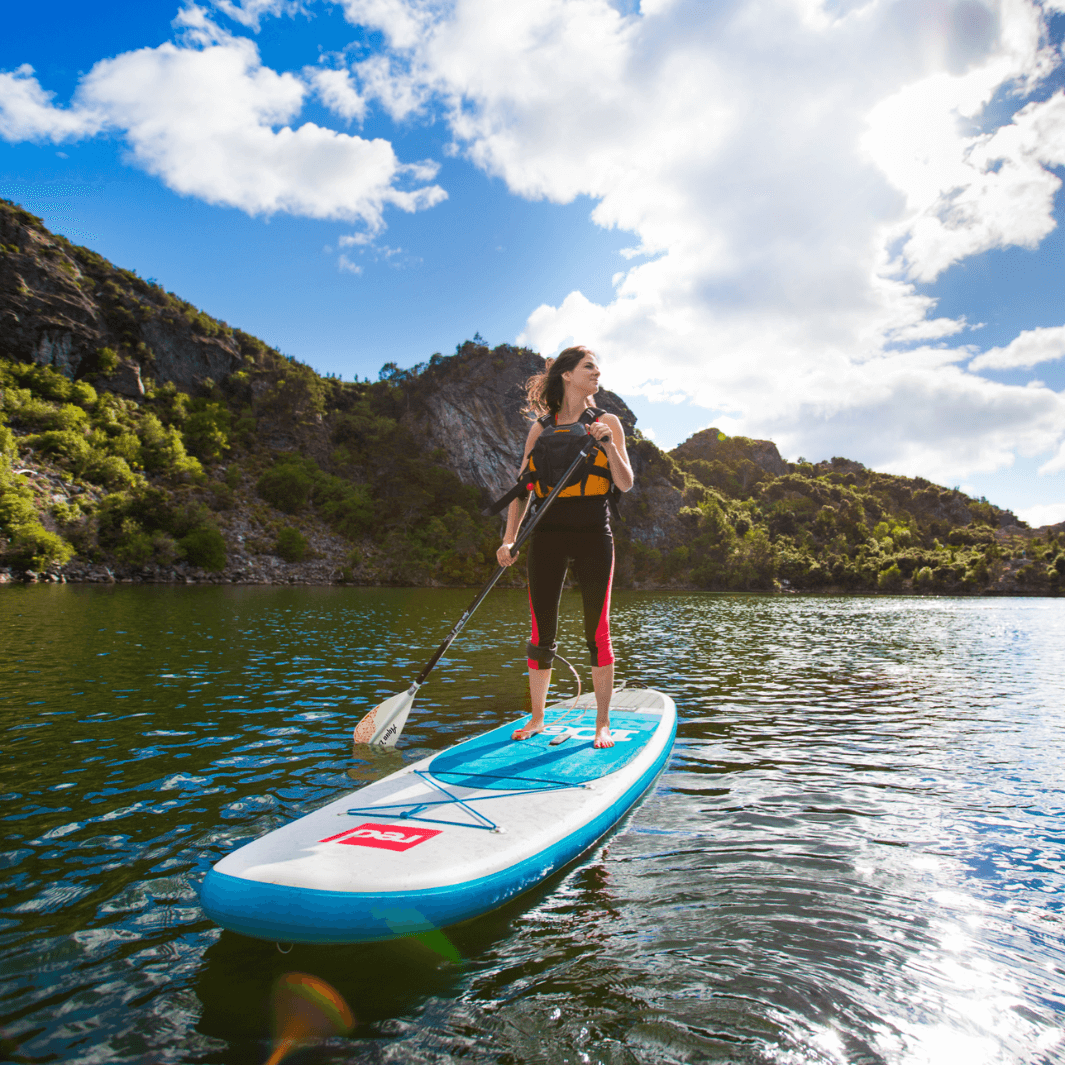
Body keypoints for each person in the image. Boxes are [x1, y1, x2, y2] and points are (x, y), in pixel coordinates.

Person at [496, 346, 634, 749]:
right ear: (567, 375)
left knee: (598, 630)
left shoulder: (607, 421)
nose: (597, 372)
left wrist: (608, 444)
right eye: (589, 366)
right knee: (542, 630)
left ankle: (602, 724)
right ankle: (538, 718)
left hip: (594, 533)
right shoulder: (541, 428)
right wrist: (509, 538)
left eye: (597, 367)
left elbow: (624, 482)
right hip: (547, 535)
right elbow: (521, 490)